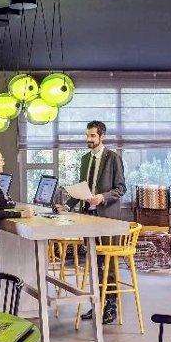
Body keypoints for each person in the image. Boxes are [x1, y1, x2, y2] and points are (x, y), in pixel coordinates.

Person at [64, 120, 126, 323]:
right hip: (88, 218)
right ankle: (96, 304)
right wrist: (67, 205)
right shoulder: (84, 159)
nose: (88, 139)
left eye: (92, 136)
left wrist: (102, 197)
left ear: (102, 136)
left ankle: (111, 307)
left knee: (109, 265)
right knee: (93, 264)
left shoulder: (113, 158)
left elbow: (121, 188)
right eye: (87, 135)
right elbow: (83, 188)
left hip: (107, 219)